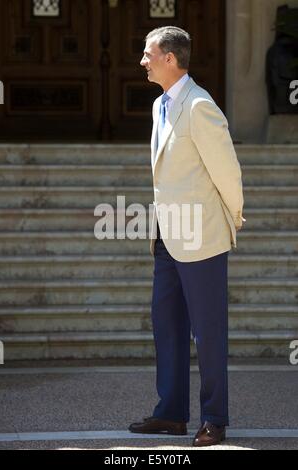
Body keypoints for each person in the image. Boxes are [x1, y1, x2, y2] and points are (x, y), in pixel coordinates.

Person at [129, 26, 244, 447]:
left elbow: (227, 171)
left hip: (202, 237)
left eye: (148, 54)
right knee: (167, 325)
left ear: (170, 59)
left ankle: (214, 418)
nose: (142, 60)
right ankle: (171, 414)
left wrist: (231, 219)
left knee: (208, 331)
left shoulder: (199, 107)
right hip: (166, 237)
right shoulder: (161, 104)